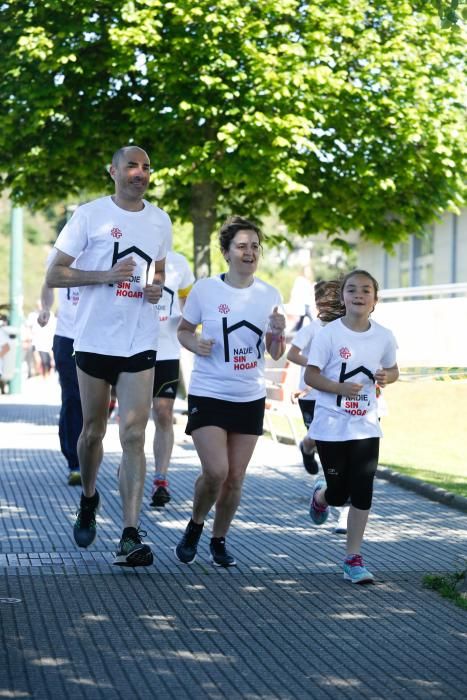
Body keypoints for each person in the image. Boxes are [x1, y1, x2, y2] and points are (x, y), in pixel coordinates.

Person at [46, 145, 171, 567]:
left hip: (140, 339)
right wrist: (104, 275)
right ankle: (89, 497)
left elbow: (159, 269)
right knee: (92, 433)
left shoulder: (159, 220)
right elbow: (55, 273)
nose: (140, 173)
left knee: (134, 434)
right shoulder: (89, 215)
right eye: (132, 166)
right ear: (113, 171)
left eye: (146, 167)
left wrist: (156, 288)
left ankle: (130, 534)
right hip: (94, 339)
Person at [174, 215, 286, 567]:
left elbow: (275, 352)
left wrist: (278, 333)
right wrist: (196, 344)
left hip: (248, 395)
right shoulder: (206, 289)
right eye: (241, 246)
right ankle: (195, 524)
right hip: (209, 392)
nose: (249, 252)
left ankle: (218, 540)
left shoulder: (270, 294)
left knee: (235, 478)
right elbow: (183, 330)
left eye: (255, 246)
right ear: (226, 252)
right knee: (217, 472)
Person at [305, 269, 399, 584]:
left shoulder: (384, 335)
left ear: (375, 300)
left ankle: (353, 558)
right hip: (331, 426)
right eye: (352, 290)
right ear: (343, 297)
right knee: (338, 493)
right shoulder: (328, 334)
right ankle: (321, 495)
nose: (359, 295)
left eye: (366, 291)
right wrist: (338, 388)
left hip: (366, 425)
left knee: (362, 490)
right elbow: (311, 376)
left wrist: (388, 377)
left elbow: (393, 369)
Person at [287, 279, 350, 534]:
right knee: (320, 443)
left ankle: (343, 512)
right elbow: (292, 354)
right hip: (311, 395)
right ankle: (307, 446)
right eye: (323, 300)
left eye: (333, 299)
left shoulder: (346, 329)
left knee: (345, 455)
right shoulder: (313, 328)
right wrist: (317, 364)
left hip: (338, 397)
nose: (329, 304)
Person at [149, 250, 194, 508]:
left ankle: (160, 479)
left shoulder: (179, 262)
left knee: (164, 413)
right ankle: (129, 462)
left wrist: (191, 323)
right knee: (133, 417)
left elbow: (188, 301)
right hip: (134, 349)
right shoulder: (132, 257)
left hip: (167, 350)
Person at [38, 276, 83, 485]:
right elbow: (48, 283)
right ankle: (75, 462)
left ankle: (89, 453)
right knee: (73, 397)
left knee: (93, 402)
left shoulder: (105, 246)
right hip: (67, 337)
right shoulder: (62, 251)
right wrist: (46, 307)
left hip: (98, 337)